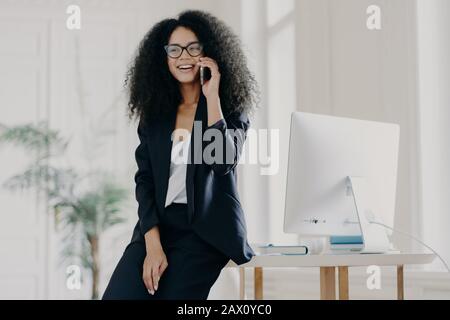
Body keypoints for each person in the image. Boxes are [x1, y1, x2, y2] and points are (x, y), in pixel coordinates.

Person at [102, 9, 259, 300]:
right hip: (157, 227)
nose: (183, 56)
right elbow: (145, 179)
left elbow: (222, 161)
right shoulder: (155, 115)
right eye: (174, 49)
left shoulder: (229, 110)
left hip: (204, 232)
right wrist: (152, 243)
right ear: (164, 58)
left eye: (193, 47)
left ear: (208, 52)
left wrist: (212, 96)